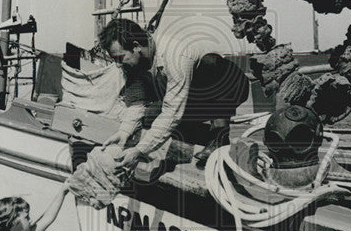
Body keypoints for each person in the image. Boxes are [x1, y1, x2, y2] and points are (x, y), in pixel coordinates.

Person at [99, 18, 250, 168]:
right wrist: (124, 131)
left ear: (136, 46)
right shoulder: (134, 63)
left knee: (210, 64)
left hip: (232, 87)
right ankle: (193, 143)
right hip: (192, 98)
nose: (118, 65)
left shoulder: (176, 55)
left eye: (120, 58)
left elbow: (172, 112)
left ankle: (219, 134)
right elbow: (138, 103)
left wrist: (140, 150)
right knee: (149, 117)